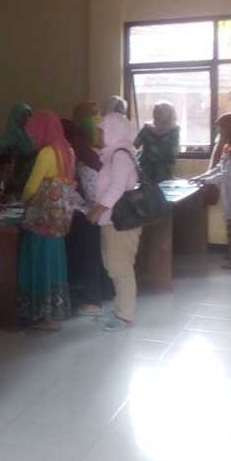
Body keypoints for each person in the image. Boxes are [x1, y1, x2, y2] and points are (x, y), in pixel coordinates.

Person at [17, 111, 76, 330]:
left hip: (42, 219)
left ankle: (43, 315)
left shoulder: (47, 153)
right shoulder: (68, 150)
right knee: (55, 263)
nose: (32, 136)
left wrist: (24, 203)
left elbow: (32, 186)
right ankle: (55, 314)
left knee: (39, 262)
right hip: (59, 220)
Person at [90, 113, 142, 332]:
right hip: (112, 220)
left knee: (120, 267)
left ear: (113, 131)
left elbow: (117, 188)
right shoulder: (113, 154)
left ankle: (125, 314)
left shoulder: (120, 155)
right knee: (114, 265)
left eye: (102, 131)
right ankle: (120, 309)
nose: (99, 135)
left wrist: (98, 209)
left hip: (119, 221)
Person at [63, 102, 108, 315]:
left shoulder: (82, 151)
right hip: (101, 211)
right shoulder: (96, 150)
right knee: (99, 254)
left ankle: (93, 298)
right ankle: (103, 293)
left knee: (90, 254)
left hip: (92, 212)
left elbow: (91, 192)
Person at [194, 114, 231, 273]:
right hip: (230, 192)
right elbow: (220, 167)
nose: (220, 132)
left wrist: (206, 181)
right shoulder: (229, 146)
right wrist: (201, 177)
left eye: (222, 129)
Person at [0, 102, 37, 194]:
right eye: (24, 116)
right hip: (11, 184)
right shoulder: (6, 138)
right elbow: (2, 165)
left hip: (28, 181)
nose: (27, 119)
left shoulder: (28, 136)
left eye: (29, 116)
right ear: (16, 116)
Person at [134, 101, 179, 183]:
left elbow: (173, 153)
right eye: (155, 111)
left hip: (160, 169)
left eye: (158, 111)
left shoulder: (174, 130)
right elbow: (135, 145)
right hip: (148, 168)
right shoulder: (147, 128)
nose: (155, 113)